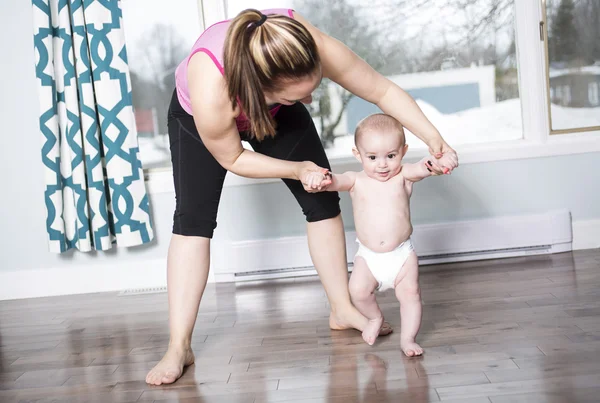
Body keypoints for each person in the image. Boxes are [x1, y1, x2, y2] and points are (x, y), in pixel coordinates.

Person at [145, 8, 458, 385]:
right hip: (196, 118)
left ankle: (342, 309)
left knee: (323, 199)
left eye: (313, 85)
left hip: (275, 107)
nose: (312, 97)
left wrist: (434, 139)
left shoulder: (305, 44)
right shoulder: (210, 84)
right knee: (193, 222)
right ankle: (179, 346)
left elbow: (381, 89)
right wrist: (295, 168)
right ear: (264, 86)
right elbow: (233, 157)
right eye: (302, 93)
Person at [308, 113, 458, 355]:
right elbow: (335, 181)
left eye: (391, 155)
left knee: (411, 295)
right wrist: (320, 179)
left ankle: (408, 339)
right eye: (372, 157)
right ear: (358, 154)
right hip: (369, 258)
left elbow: (425, 167)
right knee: (357, 291)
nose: (382, 164)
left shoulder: (403, 175)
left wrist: (440, 163)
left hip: (401, 256)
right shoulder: (355, 180)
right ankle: (374, 318)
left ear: (403, 151)